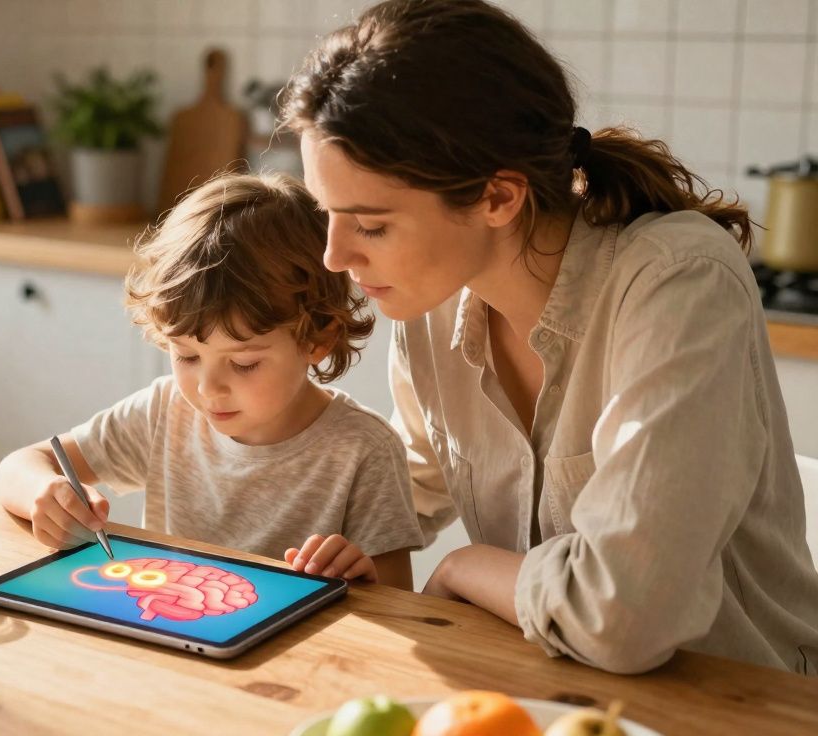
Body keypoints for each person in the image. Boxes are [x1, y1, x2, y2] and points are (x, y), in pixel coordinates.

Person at [281, 0, 818, 674]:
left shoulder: (677, 282)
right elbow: (403, 487)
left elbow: (622, 616)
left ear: (498, 197)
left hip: (738, 703)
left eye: (372, 225)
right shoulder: (432, 300)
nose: (334, 257)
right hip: (548, 690)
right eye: (328, 213)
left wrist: (466, 566)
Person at [0, 173, 424, 587]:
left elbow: (399, 603)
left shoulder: (365, 450)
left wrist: (359, 580)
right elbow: (18, 466)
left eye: (244, 363)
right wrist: (44, 491)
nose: (207, 388)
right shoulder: (164, 411)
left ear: (317, 340)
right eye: (186, 356)